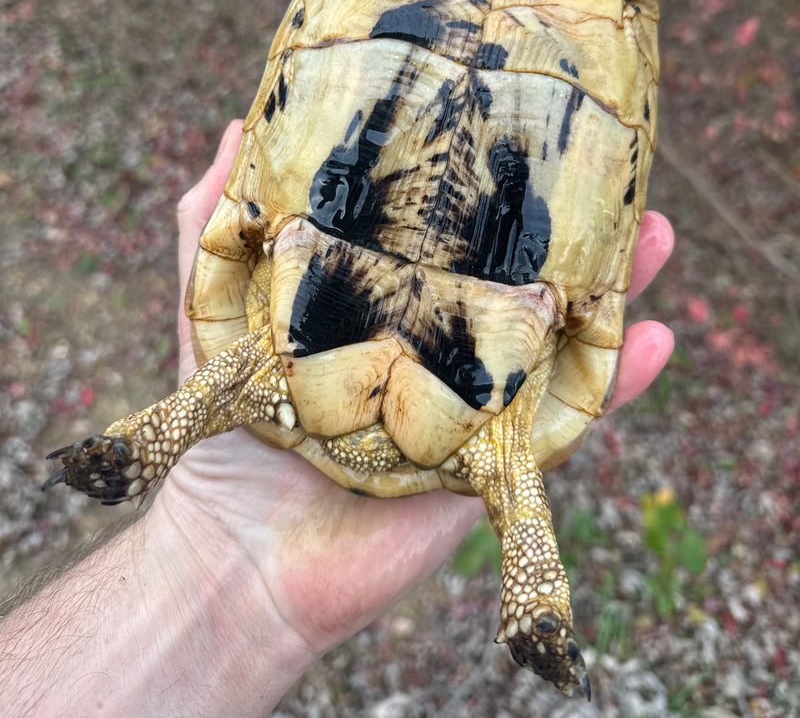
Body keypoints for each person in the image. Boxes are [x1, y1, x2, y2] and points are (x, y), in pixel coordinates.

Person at [0, 121, 675, 718]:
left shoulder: (272, 367)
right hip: (523, 212)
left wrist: (157, 459)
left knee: (254, 367)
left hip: (371, 73)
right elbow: (517, 485)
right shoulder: (492, 441)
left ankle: (142, 446)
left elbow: (220, 377)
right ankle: (538, 602)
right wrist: (536, 593)